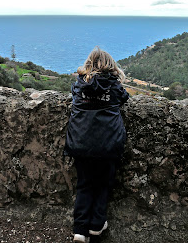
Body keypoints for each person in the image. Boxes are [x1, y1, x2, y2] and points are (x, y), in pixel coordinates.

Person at [64, 46, 129, 243]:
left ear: (88, 64)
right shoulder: (114, 86)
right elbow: (125, 99)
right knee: (103, 185)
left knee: (84, 185)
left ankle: (80, 230)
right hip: (108, 145)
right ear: (111, 66)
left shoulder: (79, 86)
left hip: (81, 144)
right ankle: (96, 226)